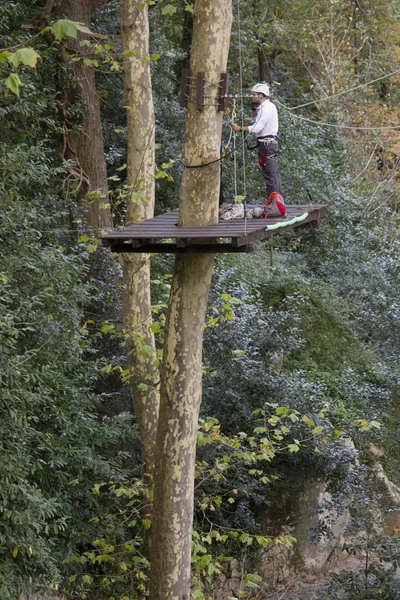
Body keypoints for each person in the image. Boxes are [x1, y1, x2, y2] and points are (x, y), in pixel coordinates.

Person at [231, 83, 285, 216]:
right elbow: (256, 119)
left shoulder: (267, 107)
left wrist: (239, 129)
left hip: (267, 143)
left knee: (270, 175)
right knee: (273, 174)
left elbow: (257, 127)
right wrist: (254, 108)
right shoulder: (263, 107)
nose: (252, 96)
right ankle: (278, 203)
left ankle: (275, 206)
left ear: (262, 95)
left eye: (254, 94)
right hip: (266, 143)